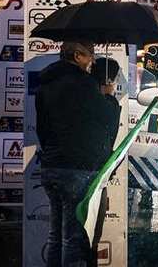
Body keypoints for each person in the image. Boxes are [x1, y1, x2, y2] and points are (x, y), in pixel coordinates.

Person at [36, 39, 121, 267]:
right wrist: (107, 95)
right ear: (77, 56)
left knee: (56, 237)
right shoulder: (84, 83)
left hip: (51, 165)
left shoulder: (46, 83)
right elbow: (107, 117)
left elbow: (42, 126)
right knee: (73, 240)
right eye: (90, 54)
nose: (93, 59)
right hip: (78, 168)